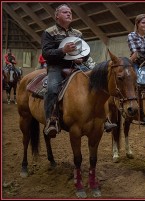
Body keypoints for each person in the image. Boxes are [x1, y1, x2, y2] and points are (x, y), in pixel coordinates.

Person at [41, 4, 116, 137]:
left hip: (76, 66)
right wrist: (63, 50)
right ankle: (51, 120)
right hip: (56, 67)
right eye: (65, 12)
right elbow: (46, 53)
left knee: (98, 83)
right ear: (57, 16)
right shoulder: (49, 32)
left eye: (70, 12)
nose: (69, 14)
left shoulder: (77, 33)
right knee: (52, 88)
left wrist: (82, 58)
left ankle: (104, 118)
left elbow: (85, 51)